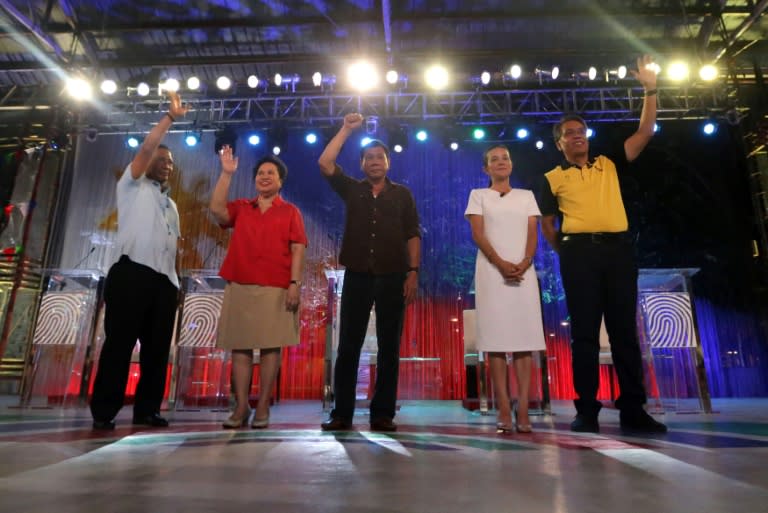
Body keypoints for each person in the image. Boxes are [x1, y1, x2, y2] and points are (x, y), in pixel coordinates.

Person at [539, 55, 667, 434]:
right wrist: (567, 251)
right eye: (569, 134)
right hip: (579, 254)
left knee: (625, 331)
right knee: (583, 334)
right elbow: (548, 223)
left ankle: (633, 409)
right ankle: (587, 410)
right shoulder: (551, 177)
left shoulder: (609, 163)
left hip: (618, 251)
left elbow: (645, 132)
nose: (578, 136)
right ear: (560, 144)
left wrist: (650, 88)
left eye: (581, 131)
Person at [90, 92, 187, 430]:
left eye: (171, 162)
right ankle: (104, 410)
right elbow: (147, 148)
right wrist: (170, 119)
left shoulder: (171, 206)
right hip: (131, 273)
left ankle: (147, 409)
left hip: (164, 282)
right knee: (119, 344)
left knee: (158, 352)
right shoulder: (131, 186)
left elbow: (172, 246)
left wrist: (176, 282)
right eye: (161, 159)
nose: (166, 164)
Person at [318, 112, 420, 432]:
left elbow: (413, 234)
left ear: (388, 162)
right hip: (359, 275)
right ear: (362, 164)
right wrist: (346, 128)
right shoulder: (352, 189)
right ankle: (342, 413)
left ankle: (383, 413)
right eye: (369, 158)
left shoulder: (402, 194)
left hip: (393, 276)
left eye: (380, 157)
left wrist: (413, 271)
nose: (375, 161)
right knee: (349, 345)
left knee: (390, 347)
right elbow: (325, 162)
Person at [209, 146, 307, 429]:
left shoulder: (290, 211)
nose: (265, 177)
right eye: (260, 173)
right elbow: (217, 210)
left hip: (276, 286)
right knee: (239, 348)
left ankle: (263, 404)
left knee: (269, 348)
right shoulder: (242, 207)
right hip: (240, 282)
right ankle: (241, 406)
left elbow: (298, 249)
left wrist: (294, 284)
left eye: (271, 173)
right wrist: (227, 174)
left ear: (280, 180)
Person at [465, 145, 546, 434]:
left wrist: (525, 262)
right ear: (486, 169)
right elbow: (478, 233)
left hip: (523, 273)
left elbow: (532, 234)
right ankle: (502, 405)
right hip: (491, 271)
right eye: (494, 160)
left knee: (524, 340)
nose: (501, 163)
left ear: (511, 164)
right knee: (497, 342)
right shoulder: (478, 195)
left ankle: (522, 407)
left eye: (505, 158)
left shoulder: (526, 196)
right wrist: (500, 263)